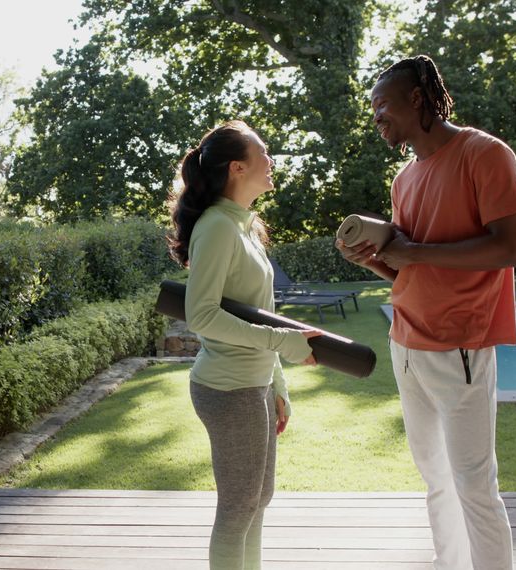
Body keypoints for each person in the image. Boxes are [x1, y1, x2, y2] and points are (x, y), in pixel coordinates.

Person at [336, 56, 516, 570]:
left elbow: (511, 249)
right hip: (406, 344)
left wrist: (415, 253)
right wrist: (376, 260)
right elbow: (409, 273)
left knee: (474, 484)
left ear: (418, 98)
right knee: (436, 482)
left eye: (383, 104)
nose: (376, 116)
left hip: (460, 345)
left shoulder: (485, 154)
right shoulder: (405, 180)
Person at [168, 120, 320, 570]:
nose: (271, 162)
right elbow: (203, 315)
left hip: (253, 385)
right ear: (237, 167)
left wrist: (278, 385)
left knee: (259, 499)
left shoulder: (244, 226)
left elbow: (258, 312)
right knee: (238, 508)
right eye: (264, 153)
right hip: (227, 389)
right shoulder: (216, 226)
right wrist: (283, 344)